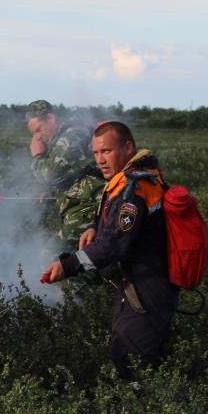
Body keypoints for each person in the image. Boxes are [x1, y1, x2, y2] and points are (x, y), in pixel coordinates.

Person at [41, 121, 177, 378]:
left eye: (107, 151)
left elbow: (115, 243)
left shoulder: (134, 189)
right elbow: (116, 226)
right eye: (95, 153)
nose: (100, 160)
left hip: (146, 288)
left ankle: (136, 413)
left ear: (128, 148)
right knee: (131, 354)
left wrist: (68, 265)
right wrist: (95, 226)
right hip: (136, 285)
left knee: (131, 362)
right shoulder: (129, 181)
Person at [25, 99, 104, 252]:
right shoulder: (68, 134)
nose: (38, 137)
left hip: (90, 208)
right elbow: (77, 173)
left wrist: (38, 155)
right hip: (86, 206)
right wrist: (55, 192)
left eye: (38, 130)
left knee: (52, 255)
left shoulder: (72, 135)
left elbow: (49, 174)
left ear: (50, 119)